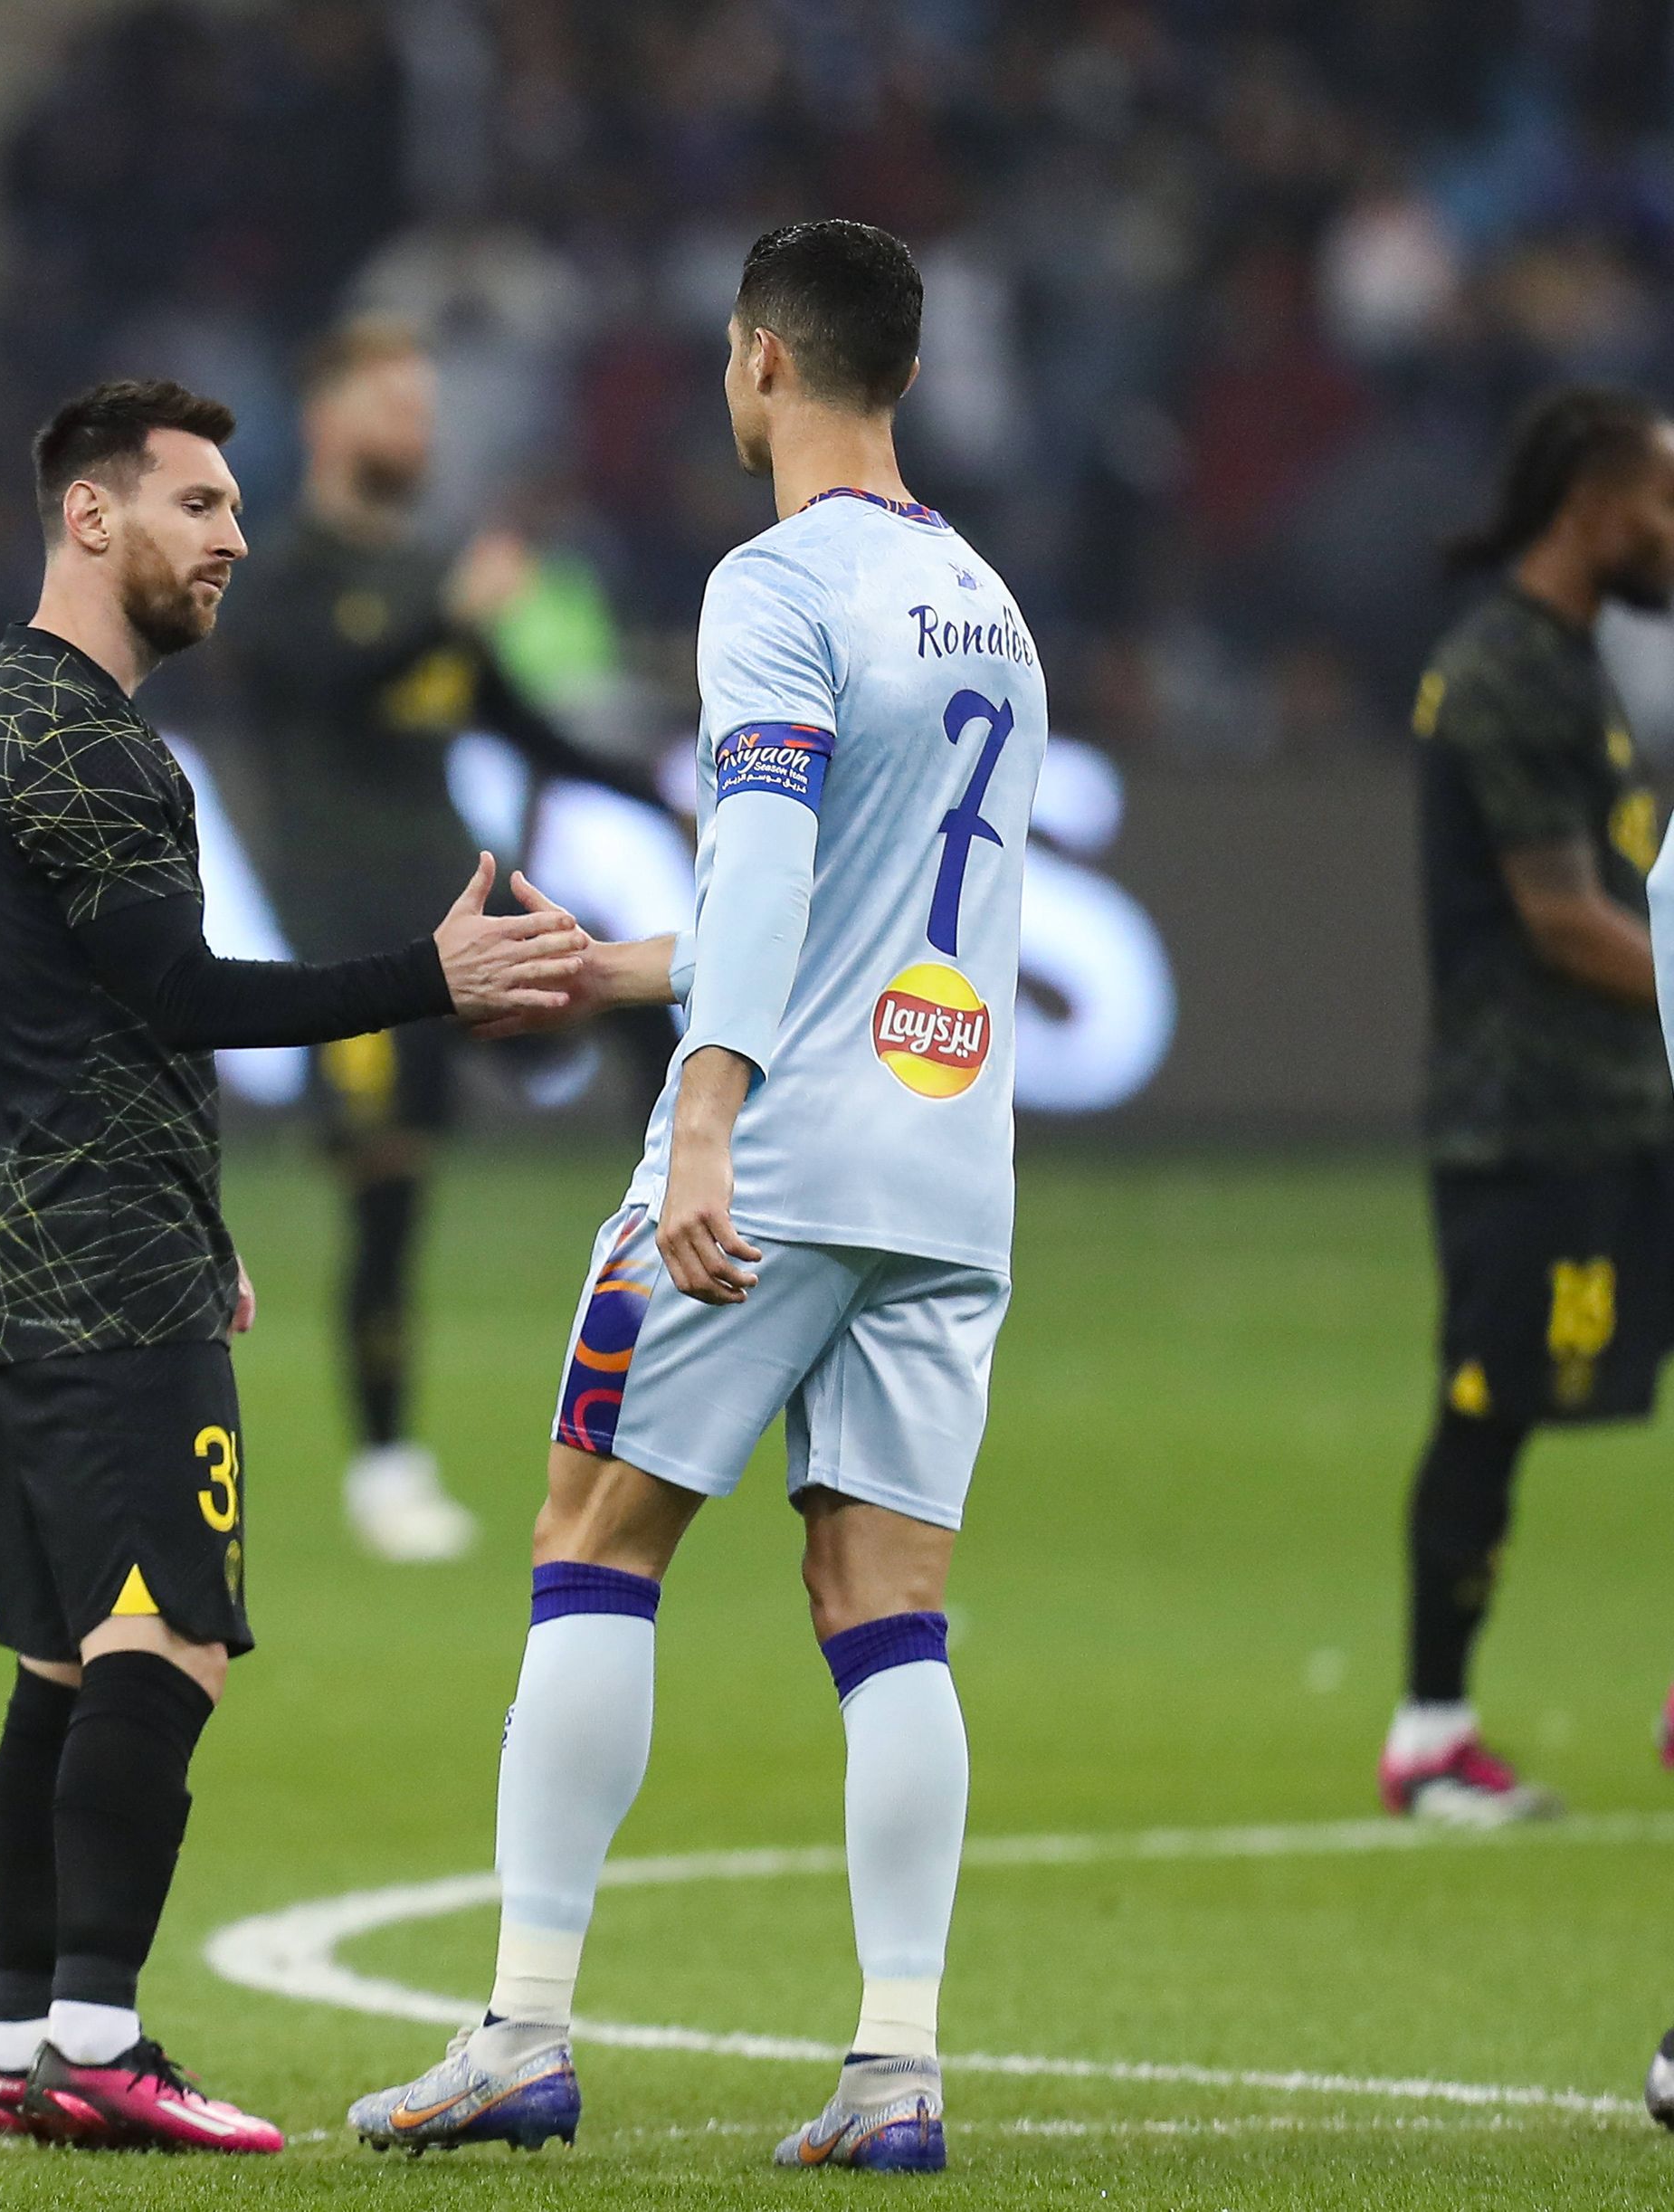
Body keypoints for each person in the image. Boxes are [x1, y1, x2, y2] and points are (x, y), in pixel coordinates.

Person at [341, 219, 1041, 2173]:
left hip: (780, 1144)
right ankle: (895, 2065)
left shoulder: (772, 580)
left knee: (592, 1535)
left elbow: (762, 859)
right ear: (895, 369)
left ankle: (518, 2031)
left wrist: (705, 1108)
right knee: (883, 1603)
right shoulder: (982, 600)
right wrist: (620, 968)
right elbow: (879, 895)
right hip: (946, 1154)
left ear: (757, 361)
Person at [0, 378, 589, 2152]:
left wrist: (197, 1213)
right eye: (198, 505)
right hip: (92, 1264)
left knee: (64, 1665)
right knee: (174, 1639)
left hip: (10, 1251)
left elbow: (85, 1021)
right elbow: (187, 996)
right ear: (89, 516)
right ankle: (96, 2041)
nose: (229, 539)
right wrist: (423, 977)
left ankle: (15, 2045)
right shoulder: (85, 743)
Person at [230, 319, 649, 1564]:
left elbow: (522, 727)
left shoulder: (427, 574)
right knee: (390, 1198)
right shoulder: (283, 572)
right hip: (353, 944)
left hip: (461, 900)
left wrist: (679, 789)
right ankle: (385, 1468)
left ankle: (688, 1282)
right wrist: (450, 620)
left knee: (638, 997)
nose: (415, 430)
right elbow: (326, 685)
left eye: (423, 410)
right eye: (393, 406)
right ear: (328, 419)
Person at [1381, 386, 1674, 1824]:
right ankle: (1430, 1730)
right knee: (1491, 1410)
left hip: (1629, 1108)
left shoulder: (1570, 663)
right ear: (1592, 508)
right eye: (1663, 505)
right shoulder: (1500, 668)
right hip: (1527, 1124)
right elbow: (1562, 918)